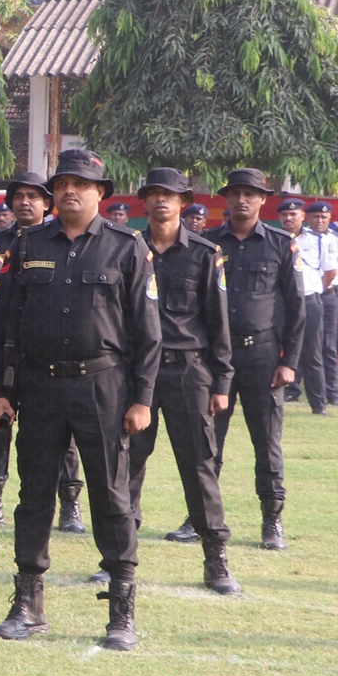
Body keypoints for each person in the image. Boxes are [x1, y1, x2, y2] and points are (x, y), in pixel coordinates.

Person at [0, 148, 159, 650]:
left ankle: (121, 610)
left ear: (100, 192)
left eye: (80, 184)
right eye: (61, 184)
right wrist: (1, 390)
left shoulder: (127, 247)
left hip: (103, 386)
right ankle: (27, 605)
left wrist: (142, 399)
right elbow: (4, 325)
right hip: (40, 387)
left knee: (111, 496)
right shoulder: (27, 244)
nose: (69, 191)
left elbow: (148, 333)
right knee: (34, 495)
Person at [126, 168, 237, 593]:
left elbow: (218, 322)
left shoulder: (205, 254)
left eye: (169, 195)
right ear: (144, 201)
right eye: (154, 193)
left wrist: (222, 382)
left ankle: (216, 559)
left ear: (184, 202)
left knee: (198, 465)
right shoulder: (128, 249)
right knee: (126, 465)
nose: (161, 200)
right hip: (135, 373)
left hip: (188, 371)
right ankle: (119, 558)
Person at [205, 169, 304, 551]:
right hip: (217, 358)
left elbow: (296, 308)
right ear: (226, 198)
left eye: (250, 193)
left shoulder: (281, 244)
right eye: (235, 193)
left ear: (264, 199)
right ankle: (202, 517)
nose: (242, 199)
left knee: (266, 441)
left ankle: (272, 521)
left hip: (263, 355)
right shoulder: (209, 243)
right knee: (208, 441)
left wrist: (289, 361)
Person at [0, 171, 86, 534]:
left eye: (33, 196)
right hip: (7, 348)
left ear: (47, 203)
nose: (24, 202)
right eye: (18, 196)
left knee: (64, 436)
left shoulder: (62, 240)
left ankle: (69, 502)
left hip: (47, 355)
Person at [277, 197, 325, 411]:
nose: (288, 218)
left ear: (302, 216)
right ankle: (282, 395)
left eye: (293, 214)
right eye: (284, 215)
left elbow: (330, 272)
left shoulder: (317, 240)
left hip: (309, 302)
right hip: (282, 304)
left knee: (312, 354)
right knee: (277, 350)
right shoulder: (274, 240)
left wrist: (312, 291)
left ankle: (318, 404)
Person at [307, 200, 338, 409]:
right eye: (315, 217)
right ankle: (293, 390)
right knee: (302, 345)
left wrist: (323, 291)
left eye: (324, 217)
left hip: (328, 295)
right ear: (308, 218)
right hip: (306, 297)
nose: (319, 220)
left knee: (328, 346)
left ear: (330, 218)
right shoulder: (299, 239)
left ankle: (332, 392)